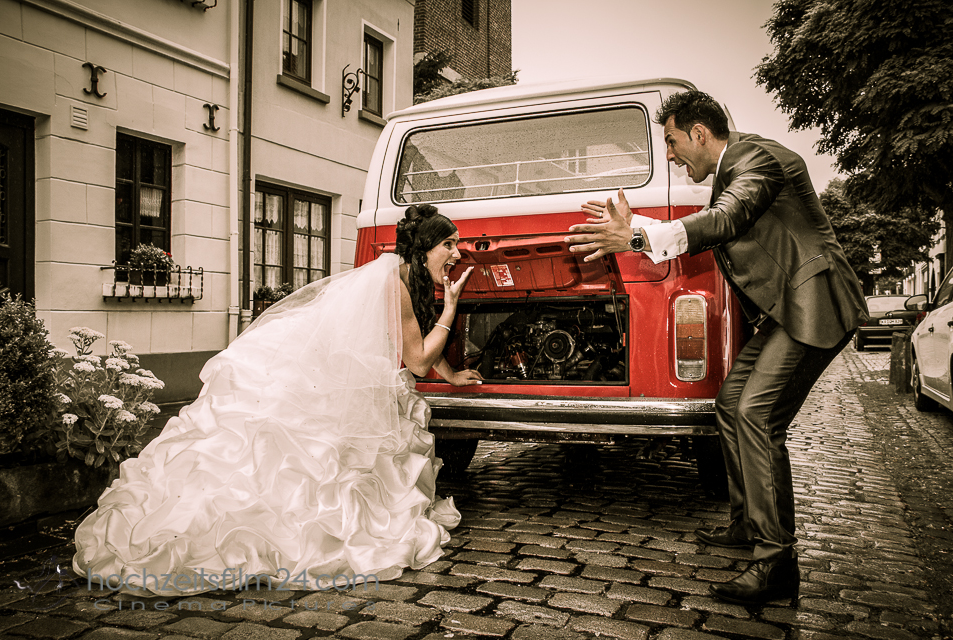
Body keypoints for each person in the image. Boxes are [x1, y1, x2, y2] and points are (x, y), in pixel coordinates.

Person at [73, 204, 483, 596]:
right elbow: (415, 360)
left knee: (323, 459)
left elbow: (414, 341)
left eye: (456, 243)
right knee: (295, 467)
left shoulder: (401, 277)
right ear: (424, 248)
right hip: (320, 378)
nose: (457, 252)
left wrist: (450, 374)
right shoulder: (396, 285)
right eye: (449, 243)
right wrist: (451, 307)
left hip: (328, 372)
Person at [565, 90, 868, 605]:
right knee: (730, 405)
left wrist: (637, 238)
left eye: (672, 141)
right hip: (786, 313)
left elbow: (724, 222)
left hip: (815, 304)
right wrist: (637, 227)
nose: (671, 154)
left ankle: (776, 563)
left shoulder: (758, 159)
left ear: (700, 133)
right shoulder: (736, 168)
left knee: (755, 414)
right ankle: (747, 522)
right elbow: (713, 224)